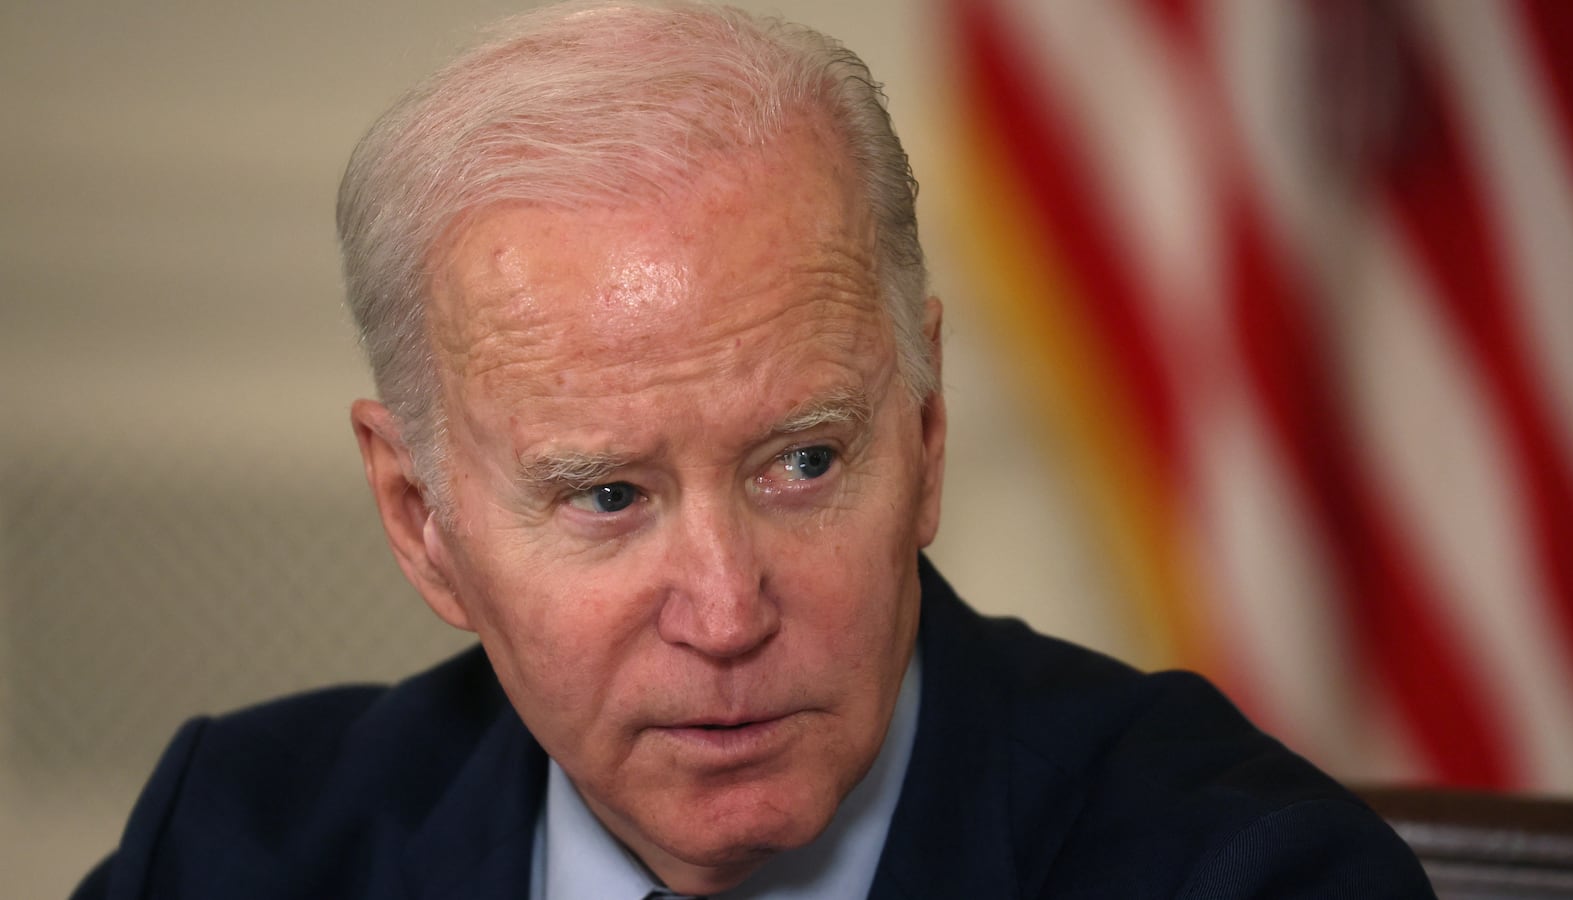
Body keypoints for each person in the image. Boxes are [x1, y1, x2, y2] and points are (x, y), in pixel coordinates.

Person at [74, 2, 1434, 897]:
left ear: (924, 430)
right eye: (608, 494)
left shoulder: (1243, 874)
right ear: (422, 519)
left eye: (804, 463)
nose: (727, 613)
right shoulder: (233, 849)